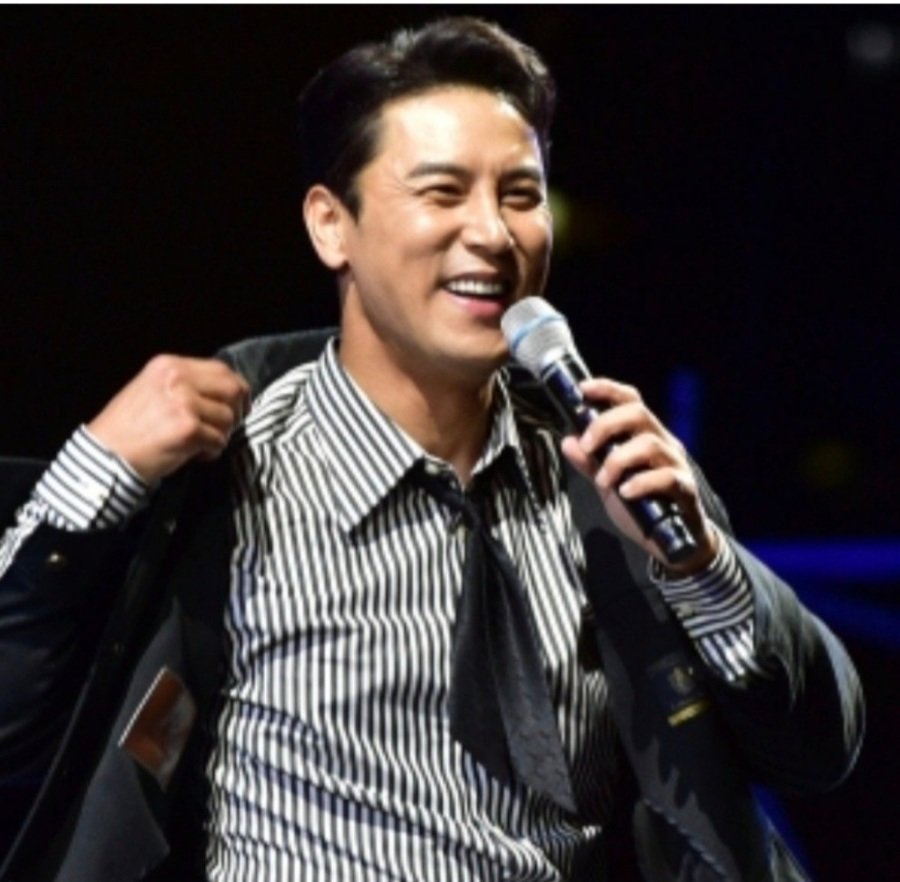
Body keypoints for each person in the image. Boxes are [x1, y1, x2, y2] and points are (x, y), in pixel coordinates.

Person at [0, 16, 863, 882]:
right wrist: (96, 471)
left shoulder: (605, 472)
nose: (492, 232)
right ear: (331, 225)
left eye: (520, 194)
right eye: (444, 192)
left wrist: (704, 564)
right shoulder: (222, 475)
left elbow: (819, 752)